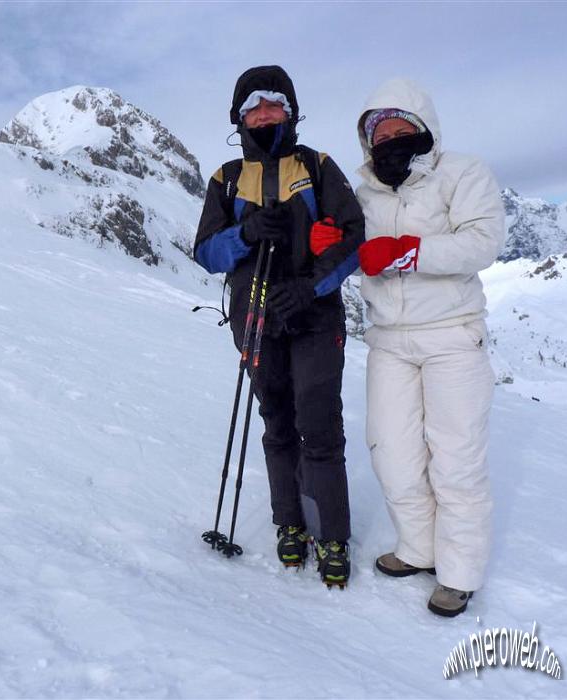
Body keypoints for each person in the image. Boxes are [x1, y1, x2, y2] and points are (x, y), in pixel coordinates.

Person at [193, 65, 365, 587]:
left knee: (319, 423)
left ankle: (330, 533)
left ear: (290, 112)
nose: (265, 113)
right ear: (240, 116)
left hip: (314, 318)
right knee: (277, 422)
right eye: (255, 106)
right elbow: (206, 252)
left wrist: (309, 287)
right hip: (255, 317)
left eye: (275, 105)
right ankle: (290, 523)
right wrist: (244, 233)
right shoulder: (225, 179)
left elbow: (353, 237)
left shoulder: (318, 166)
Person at [354, 78, 505, 616]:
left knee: (456, 459)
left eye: (400, 124)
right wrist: (338, 246)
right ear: (367, 139)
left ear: (424, 128)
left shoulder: (462, 172)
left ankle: (459, 573)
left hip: (452, 334)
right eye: (378, 128)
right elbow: (359, 247)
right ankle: (418, 549)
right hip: (390, 340)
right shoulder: (364, 191)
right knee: (393, 453)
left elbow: (483, 241)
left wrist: (408, 252)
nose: (390, 135)